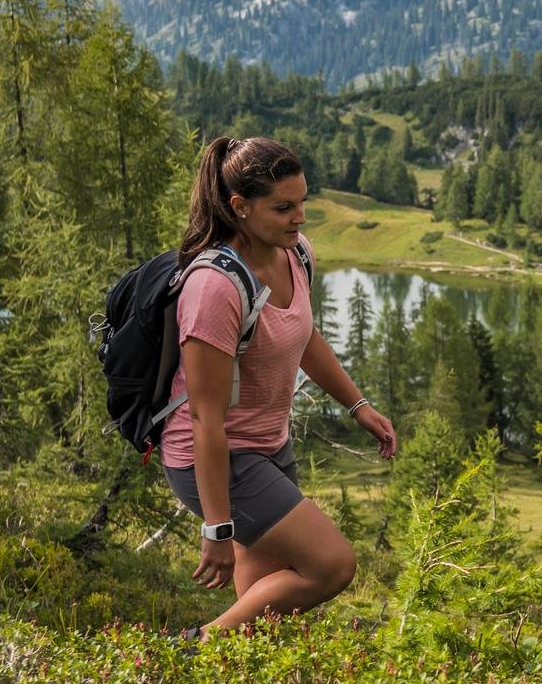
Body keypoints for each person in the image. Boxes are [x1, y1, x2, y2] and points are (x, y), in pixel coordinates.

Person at [160, 135, 396, 636]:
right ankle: (197, 643)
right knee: (331, 564)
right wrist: (217, 529)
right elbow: (205, 418)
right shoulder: (214, 287)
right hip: (217, 458)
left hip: (270, 446)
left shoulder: (296, 254)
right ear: (240, 207)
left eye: (303, 202)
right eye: (284, 206)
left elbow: (302, 333)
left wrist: (358, 406)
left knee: (261, 603)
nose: (300, 217)